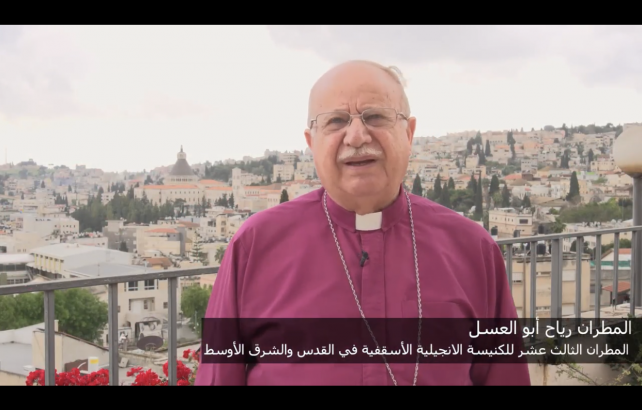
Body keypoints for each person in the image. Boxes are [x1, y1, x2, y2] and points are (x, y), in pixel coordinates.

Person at [195, 60, 531, 386]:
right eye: (336, 121)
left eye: (375, 117)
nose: (356, 136)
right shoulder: (255, 245)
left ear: (409, 133)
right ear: (311, 143)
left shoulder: (472, 249)